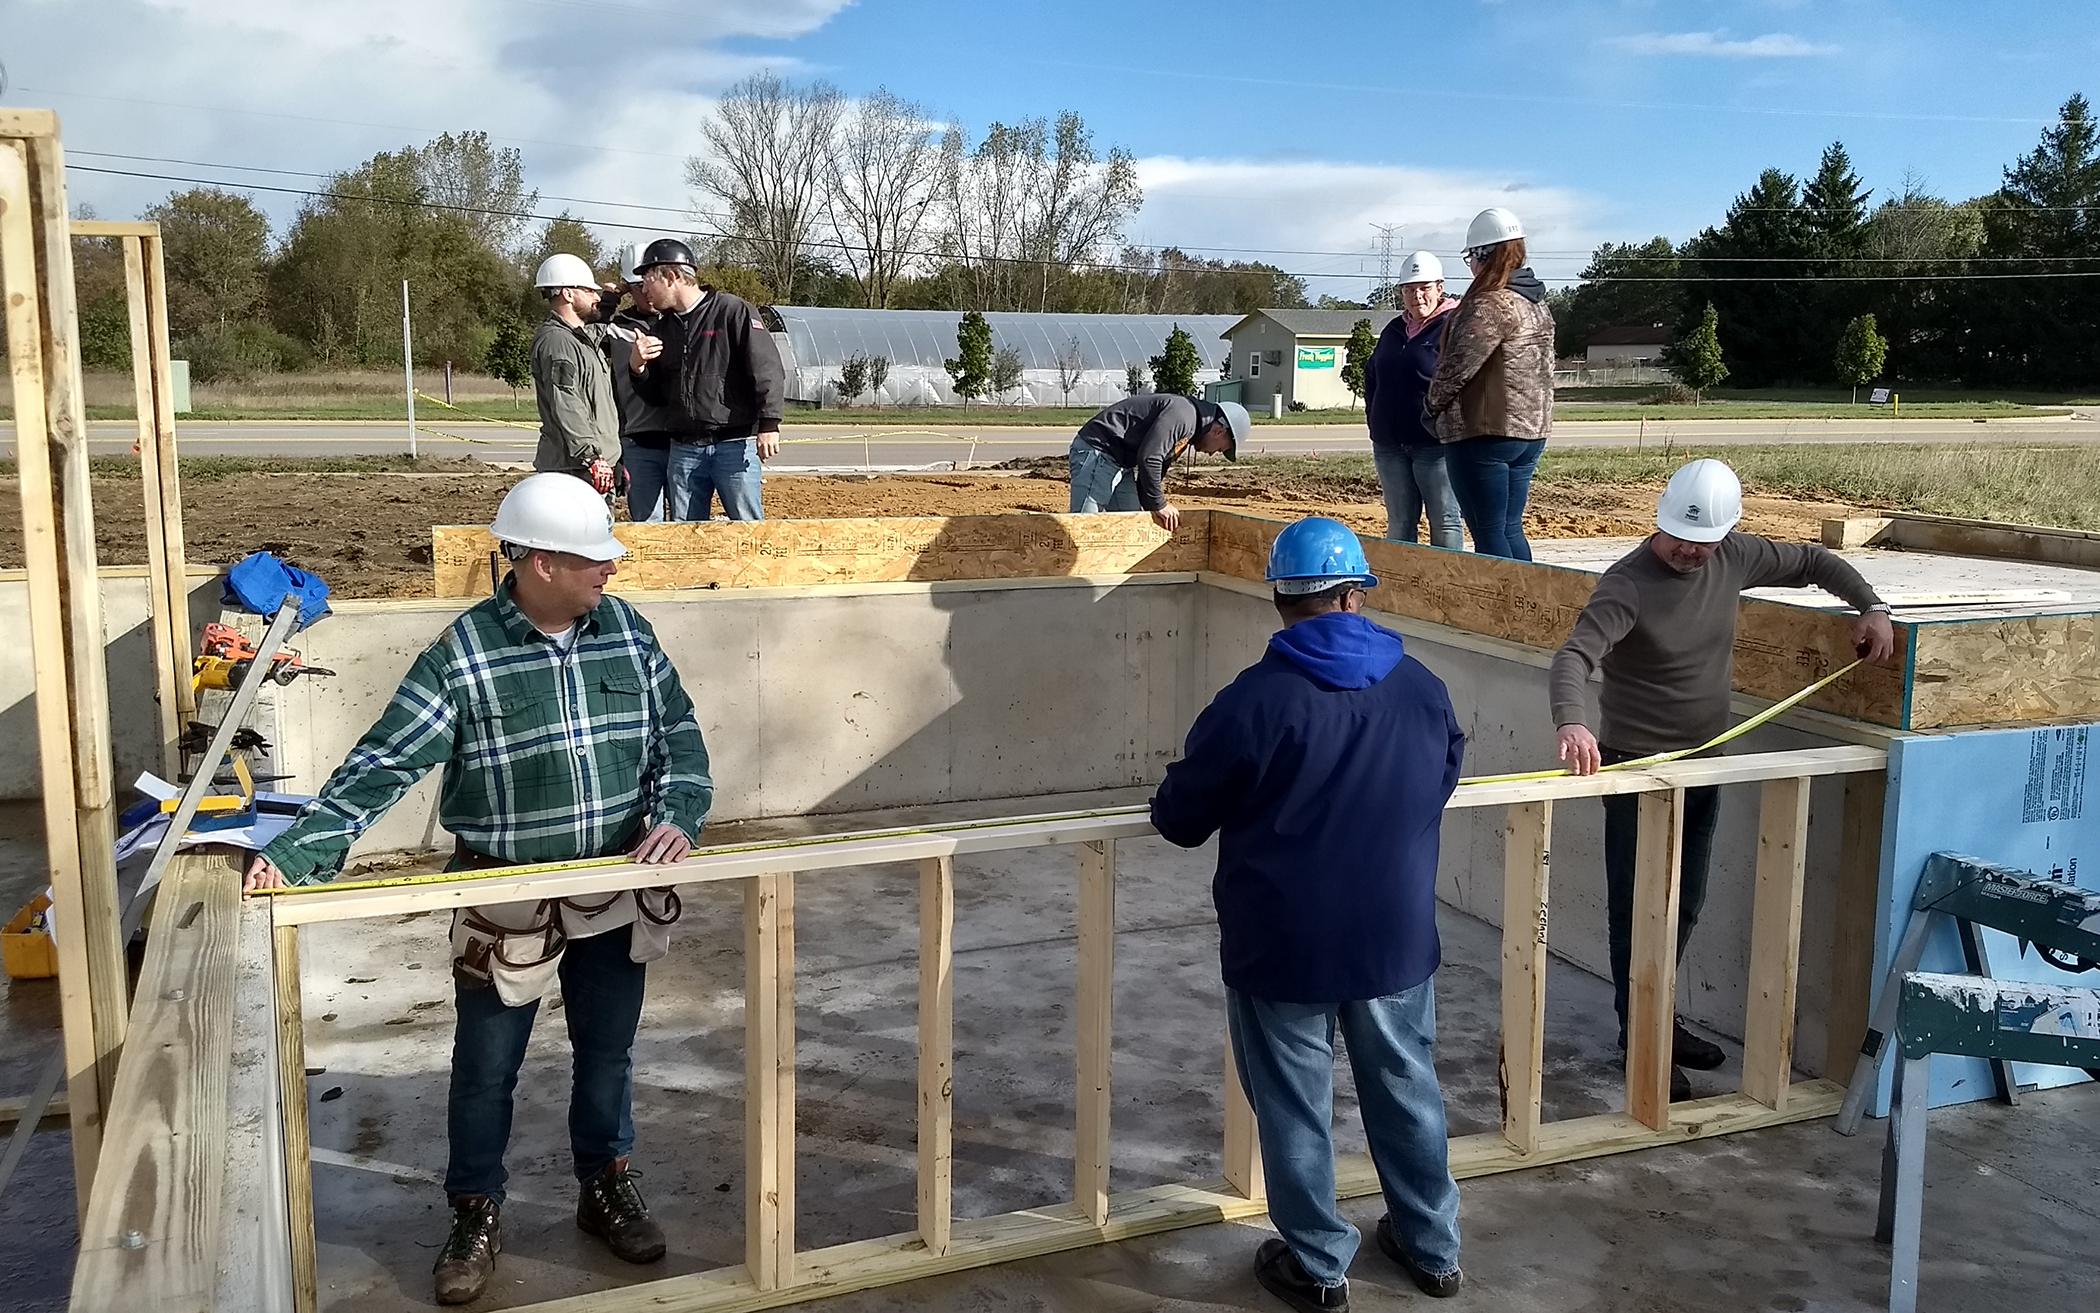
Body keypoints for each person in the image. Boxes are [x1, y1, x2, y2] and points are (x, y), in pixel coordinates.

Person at [243, 473, 713, 1305]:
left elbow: (677, 733)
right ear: (536, 561)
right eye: (591, 557)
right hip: (508, 899)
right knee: (486, 1067)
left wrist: (678, 813)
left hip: (612, 883)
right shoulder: (464, 654)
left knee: (609, 1051)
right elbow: (385, 760)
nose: (611, 568)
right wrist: (302, 850)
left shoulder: (628, 634)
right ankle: (474, 1210)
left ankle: (606, 1183)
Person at [1152, 517, 1467, 1311]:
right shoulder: (1421, 687)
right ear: (1357, 592)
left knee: (1296, 1105)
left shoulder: (1255, 701)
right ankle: (1432, 1250)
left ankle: (1321, 1267)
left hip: (1285, 947)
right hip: (1393, 940)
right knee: (1406, 1089)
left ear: (1280, 600)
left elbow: (1180, 816)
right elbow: (1443, 775)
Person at [1549, 459, 1896, 1101]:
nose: (1686, 552)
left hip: (1707, 756)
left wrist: (1871, 606)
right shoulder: (1628, 585)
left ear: (1725, 534)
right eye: (1678, 537)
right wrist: (1573, 722)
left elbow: (1816, 564)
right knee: (1639, 904)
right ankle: (1640, 1038)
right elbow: (1575, 655)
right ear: (1660, 521)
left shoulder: (1735, 556)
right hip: (1638, 765)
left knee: (1687, 899)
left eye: (1701, 543)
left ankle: (1660, 1018)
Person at [1426, 207, 1556, 560]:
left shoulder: (1489, 303)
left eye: (1471, 256)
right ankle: (1524, 602)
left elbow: (1456, 368)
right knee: (1510, 528)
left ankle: (1498, 608)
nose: (1470, 265)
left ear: (1484, 254)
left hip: (1485, 433)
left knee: (1488, 534)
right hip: (1530, 431)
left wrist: (1430, 407)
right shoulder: (1536, 303)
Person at [627, 238, 785, 521]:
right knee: (686, 536)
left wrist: (769, 423)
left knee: (747, 528)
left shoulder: (731, 311)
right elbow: (657, 397)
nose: (643, 289)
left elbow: (766, 367)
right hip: (684, 451)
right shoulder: (662, 329)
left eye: (648, 280)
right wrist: (638, 368)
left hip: (734, 447)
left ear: (672, 276)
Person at [529, 253, 654, 499]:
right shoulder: (558, 342)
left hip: (592, 465)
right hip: (574, 469)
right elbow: (567, 403)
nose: (596, 297)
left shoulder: (581, 339)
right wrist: (591, 456)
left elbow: (598, 327)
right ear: (568, 293)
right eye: (589, 291)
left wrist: (613, 298)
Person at [1364, 251, 1464, 549]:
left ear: (1440, 287)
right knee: (1399, 522)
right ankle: (1401, 586)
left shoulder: (1454, 326)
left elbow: (1464, 381)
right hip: (1390, 445)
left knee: (1444, 520)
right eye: (1409, 289)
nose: (1416, 296)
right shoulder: (1393, 330)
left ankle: (1444, 585)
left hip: (1434, 448)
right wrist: (1375, 419)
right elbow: (1372, 375)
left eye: (1424, 288)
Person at [1067, 393, 1249, 531]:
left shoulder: (1190, 427)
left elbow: (1158, 464)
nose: (1212, 454)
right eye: (1219, 449)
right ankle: (1073, 579)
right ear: (1219, 431)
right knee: (1085, 524)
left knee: (1133, 523)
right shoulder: (1183, 415)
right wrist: (1159, 504)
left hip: (1121, 462)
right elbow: (1150, 458)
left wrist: (1151, 505)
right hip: (1099, 451)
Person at [607, 241, 678, 521]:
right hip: (638, 441)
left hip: (682, 442)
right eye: (637, 287)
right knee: (647, 525)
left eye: (649, 283)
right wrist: (612, 297)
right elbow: (585, 334)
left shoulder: (681, 322)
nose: (646, 293)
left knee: (688, 523)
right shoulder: (616, 327)